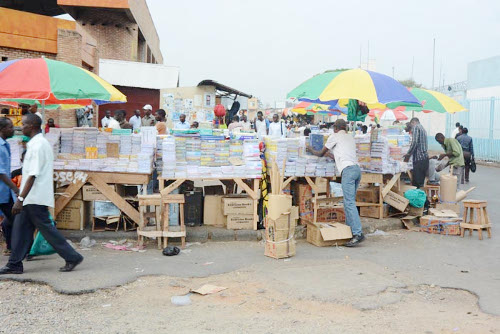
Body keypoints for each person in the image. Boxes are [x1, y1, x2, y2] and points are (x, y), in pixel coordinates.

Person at [0, 114, 84, 275]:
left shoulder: (38, 145)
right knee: (20, 228)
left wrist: (20, 198)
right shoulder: (37, 143)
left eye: (23, 124)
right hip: (31, 196)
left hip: (34, 196)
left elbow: (33, 174)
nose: (20, 127)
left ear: (31, 126)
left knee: (46, 229)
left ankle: (72, 256)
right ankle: (14, 263)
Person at [308, 119, 364, 247]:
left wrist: (310, 148)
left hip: (348, 171)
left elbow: (320, 153)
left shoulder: (334, 136)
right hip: (356, 169)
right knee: (349, 202)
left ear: (335, 128)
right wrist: (331, 155)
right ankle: (351, 231)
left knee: (348, 202)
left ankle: (357, 233)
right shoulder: (350, 137)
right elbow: (342, 155)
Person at [0, 118, 19, 255]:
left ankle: (11, 247)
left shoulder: (5, 144)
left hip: (4, 193)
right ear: (3, 129)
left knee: (12, 219)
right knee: (14, 219)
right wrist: (15, 188)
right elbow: (0, 173)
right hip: (3, 191)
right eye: (10, 127)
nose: (13, 129)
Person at [403, 118, 429, 188]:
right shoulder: (422, 128)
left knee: (416, 183)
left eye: (411, 125)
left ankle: (417, 197)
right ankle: (421, 197)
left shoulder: (416, 127)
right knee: (420, 183)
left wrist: (408, 154)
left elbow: (414, 142)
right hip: (424, 159)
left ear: (413, 122)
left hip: (419, 159)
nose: (411, 128)